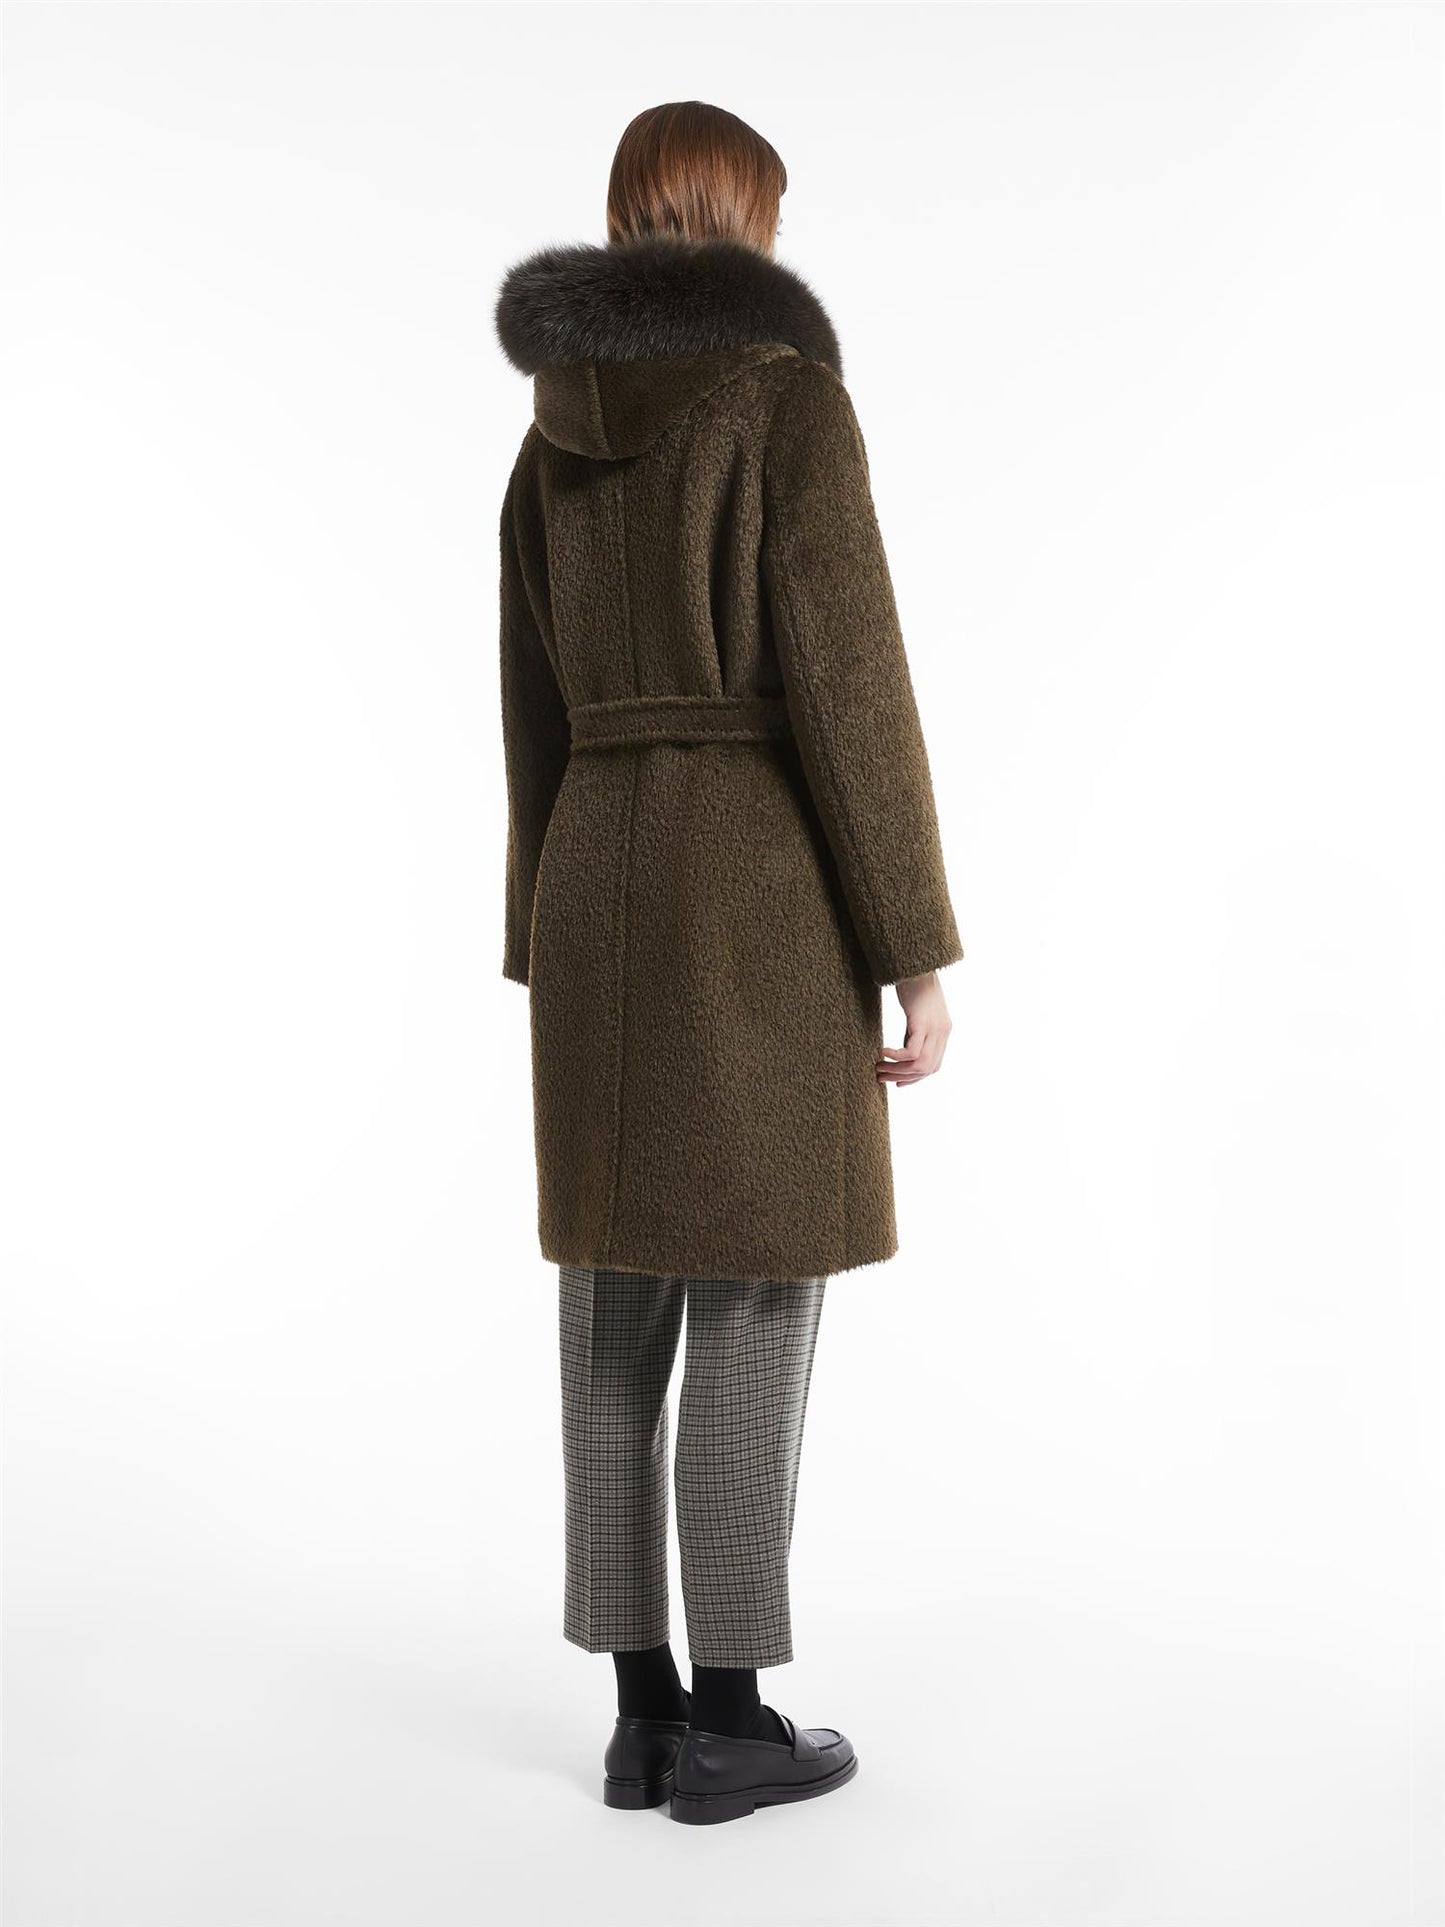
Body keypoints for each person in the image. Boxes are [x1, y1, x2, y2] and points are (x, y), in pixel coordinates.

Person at [494, 100, 963, 1825]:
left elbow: (529, 702)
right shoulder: (781, 398)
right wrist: (911, 944)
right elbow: (850, 684)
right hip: (749, 890)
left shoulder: (549, 436)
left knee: (611, 1299)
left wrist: (535, 922)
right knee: (756, 1283)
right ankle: (731, 1719)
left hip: (592, 877)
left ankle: (635, 1715)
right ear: (746, 218)